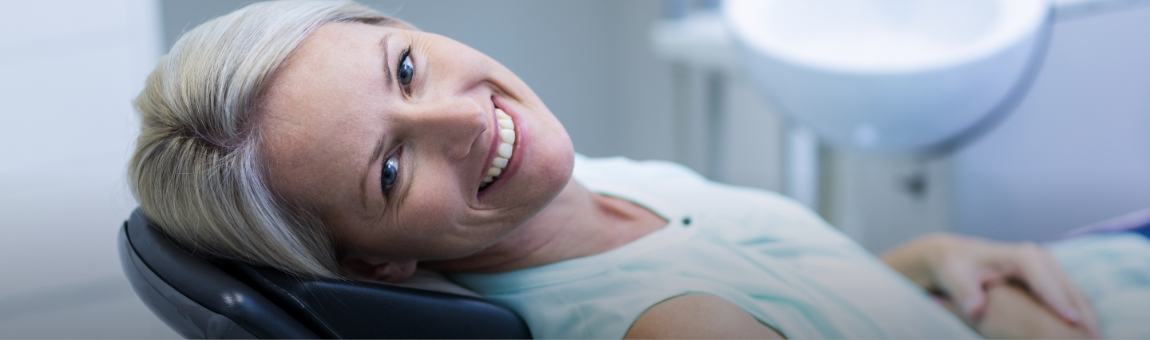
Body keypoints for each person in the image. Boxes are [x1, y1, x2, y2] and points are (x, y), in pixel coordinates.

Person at [128, 1, 1149, 338]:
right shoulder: (670, 326)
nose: (464, 117)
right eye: (391, 170)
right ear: (376, 264)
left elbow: (796, 298)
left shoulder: (573, 183)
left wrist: (925, 258)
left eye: (406, 66)